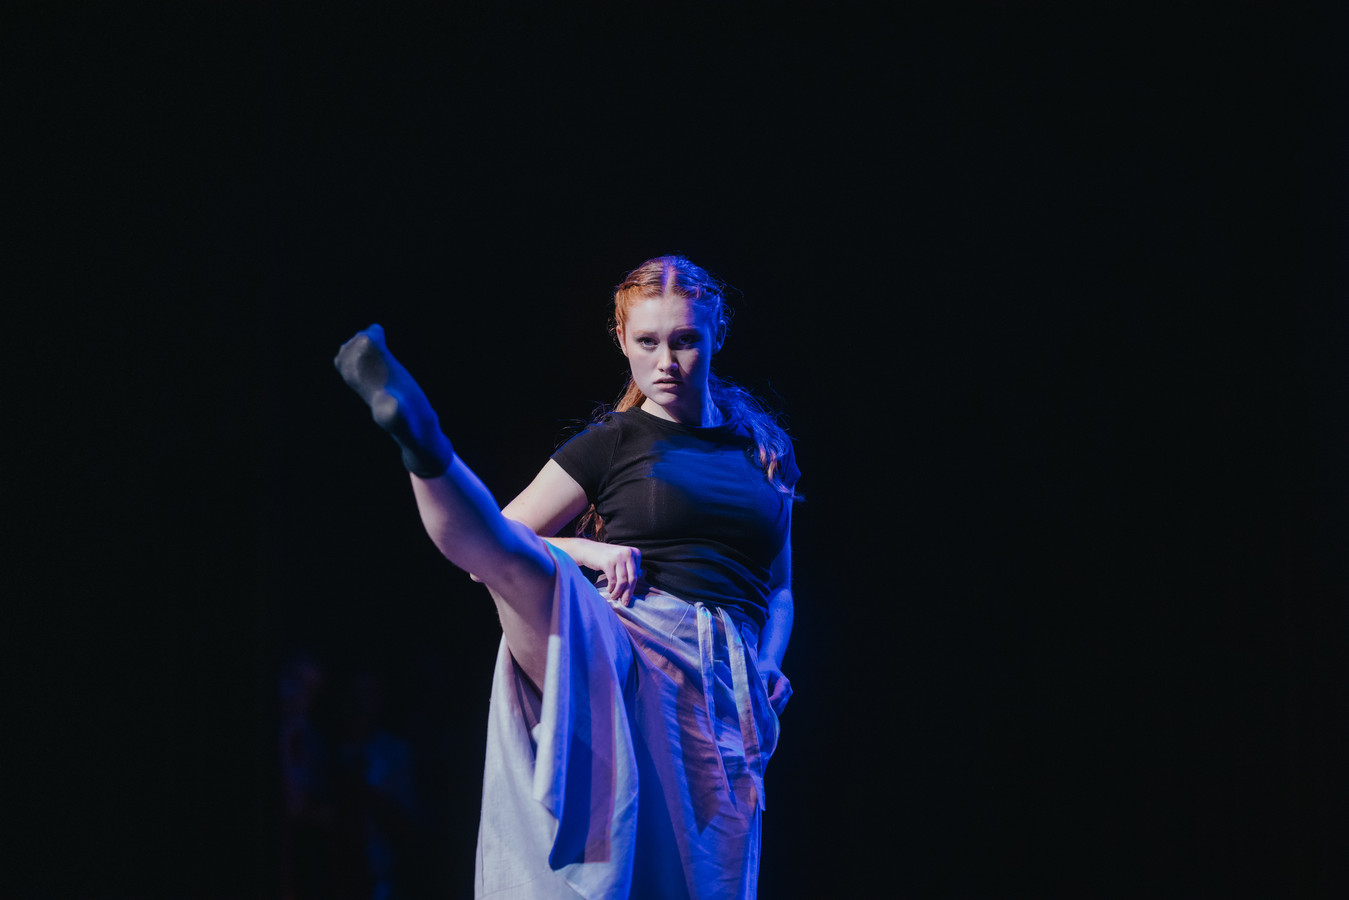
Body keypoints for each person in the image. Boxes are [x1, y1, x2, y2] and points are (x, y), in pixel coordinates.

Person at [334, 255, 800, 899]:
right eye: (648, 341)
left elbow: (779, 587)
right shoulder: (615, 441)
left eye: (685, 340)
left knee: (691, 883)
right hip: (631, 641)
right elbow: (513, 523)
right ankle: (424, 446)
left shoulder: (764, 452)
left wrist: (772, 661)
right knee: (514, 563)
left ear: (716, 335)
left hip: (722, 689)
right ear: (622, 342)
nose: (666, 360)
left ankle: (426, 449)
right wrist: (586, 553)